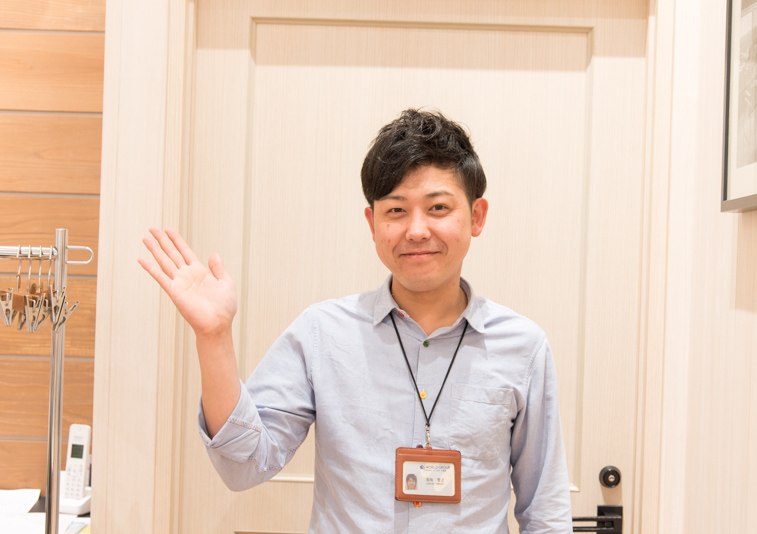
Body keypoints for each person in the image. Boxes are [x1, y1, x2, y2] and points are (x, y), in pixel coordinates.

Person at [139, 109, 572, 533]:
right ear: (373, 222)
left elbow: (546, 512)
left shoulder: (523, 346)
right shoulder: (322, 333)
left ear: (476, 216)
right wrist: (213, 336)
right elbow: (244, 466)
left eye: (438, 207)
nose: (416, 230)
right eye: (396, 210)